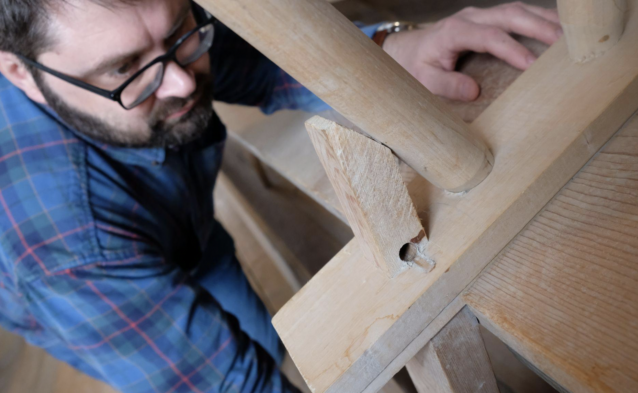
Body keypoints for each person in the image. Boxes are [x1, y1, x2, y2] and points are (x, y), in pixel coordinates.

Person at [0, 0, 560, 392]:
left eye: (179, 32)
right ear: (20, 74)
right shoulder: (68, 255)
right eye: (126, 72)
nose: (183, 83)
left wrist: (387, 49)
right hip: (99, 276)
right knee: (241, 366)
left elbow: (260, 66)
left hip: (186, 227)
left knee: (259, 335)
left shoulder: (122, 56)